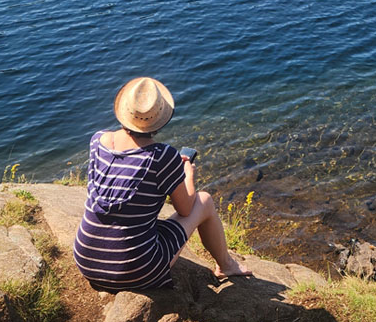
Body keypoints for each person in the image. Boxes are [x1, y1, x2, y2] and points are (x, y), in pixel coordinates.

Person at [73, 76, 251, 291]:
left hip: (86, 261)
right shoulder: (162, 156)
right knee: (204, 200)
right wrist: (187, 174)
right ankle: (226, 265)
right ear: (159, 118)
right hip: (136, 271)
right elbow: (185, 209)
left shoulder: (98, 140)